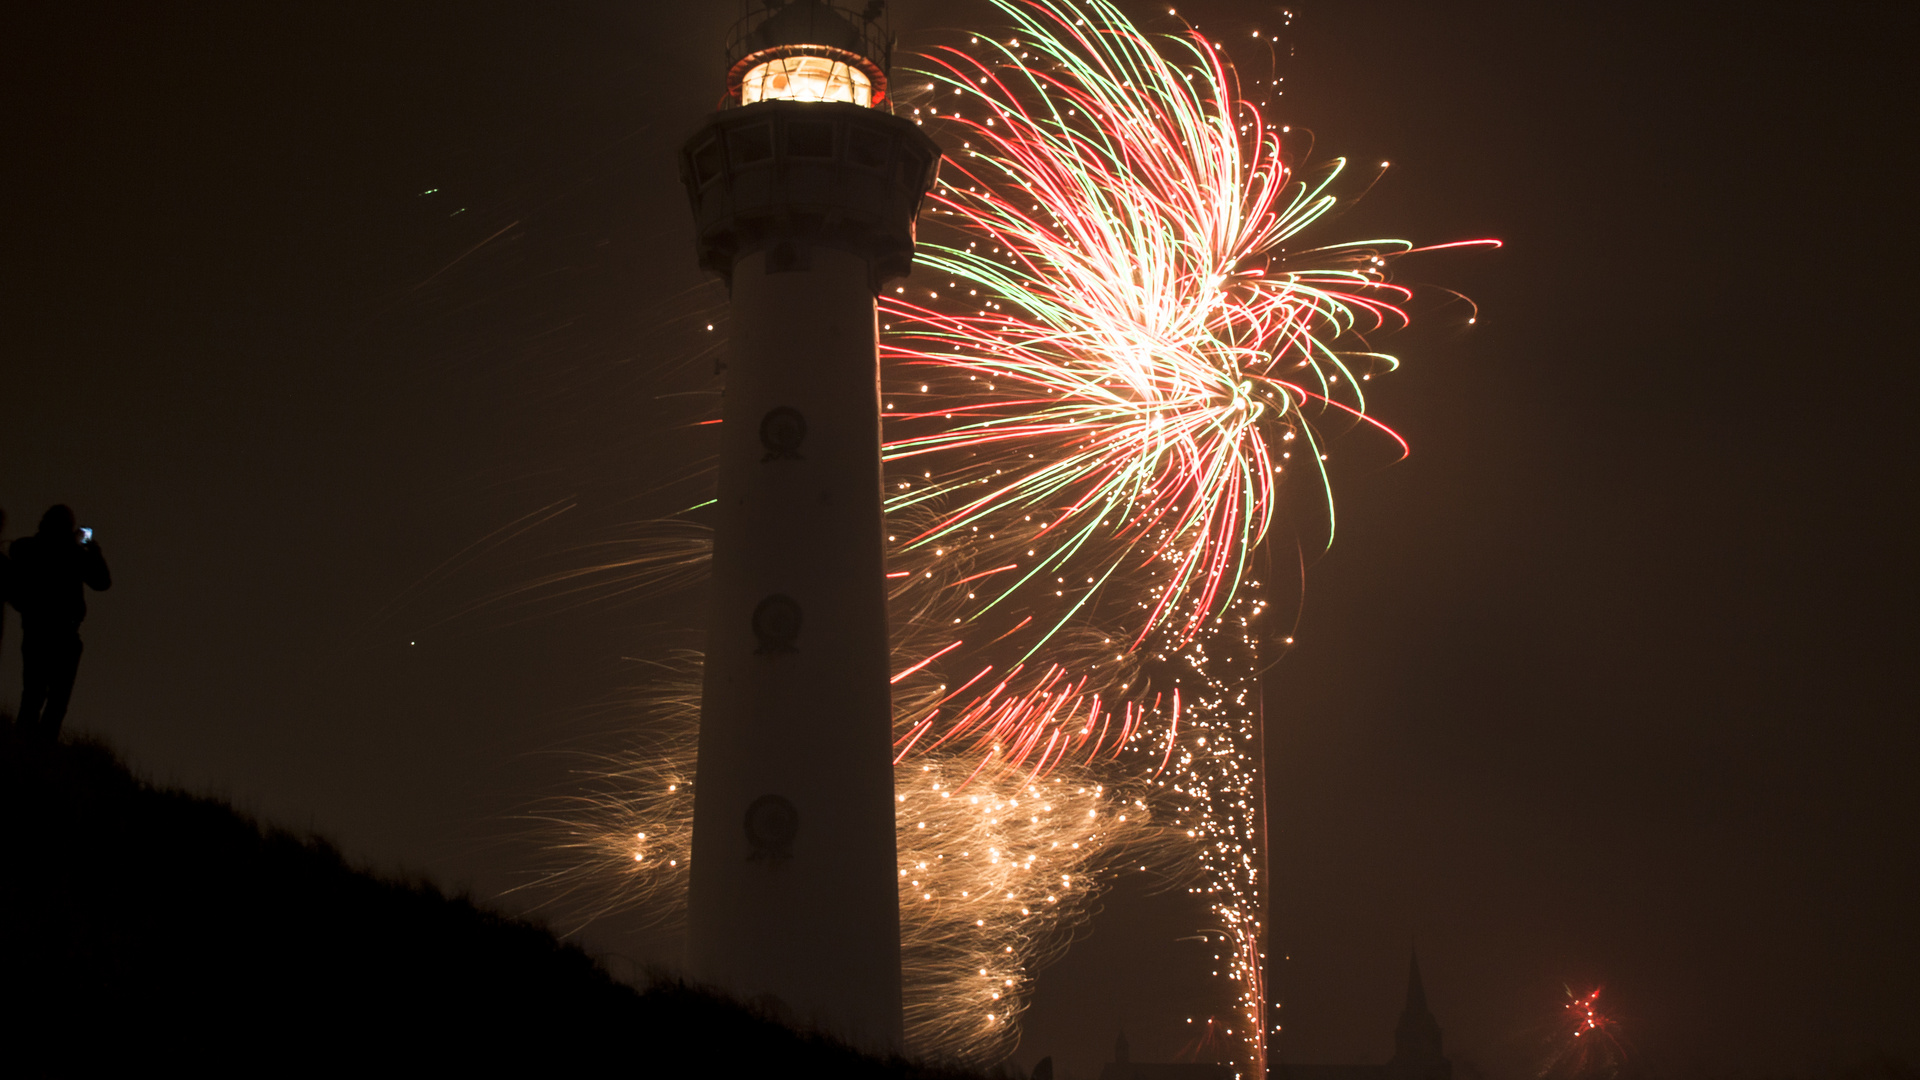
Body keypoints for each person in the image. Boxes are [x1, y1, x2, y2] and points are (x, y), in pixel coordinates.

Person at [8, 505, 111, 739]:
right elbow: (102, 582)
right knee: (57, 701)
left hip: (35, 631)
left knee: (33, 695)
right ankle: (41, 752)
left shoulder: (30, 548)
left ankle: (22, 746)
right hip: (64, 635)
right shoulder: (73, 555)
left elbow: (16, 551)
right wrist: (92, 551)